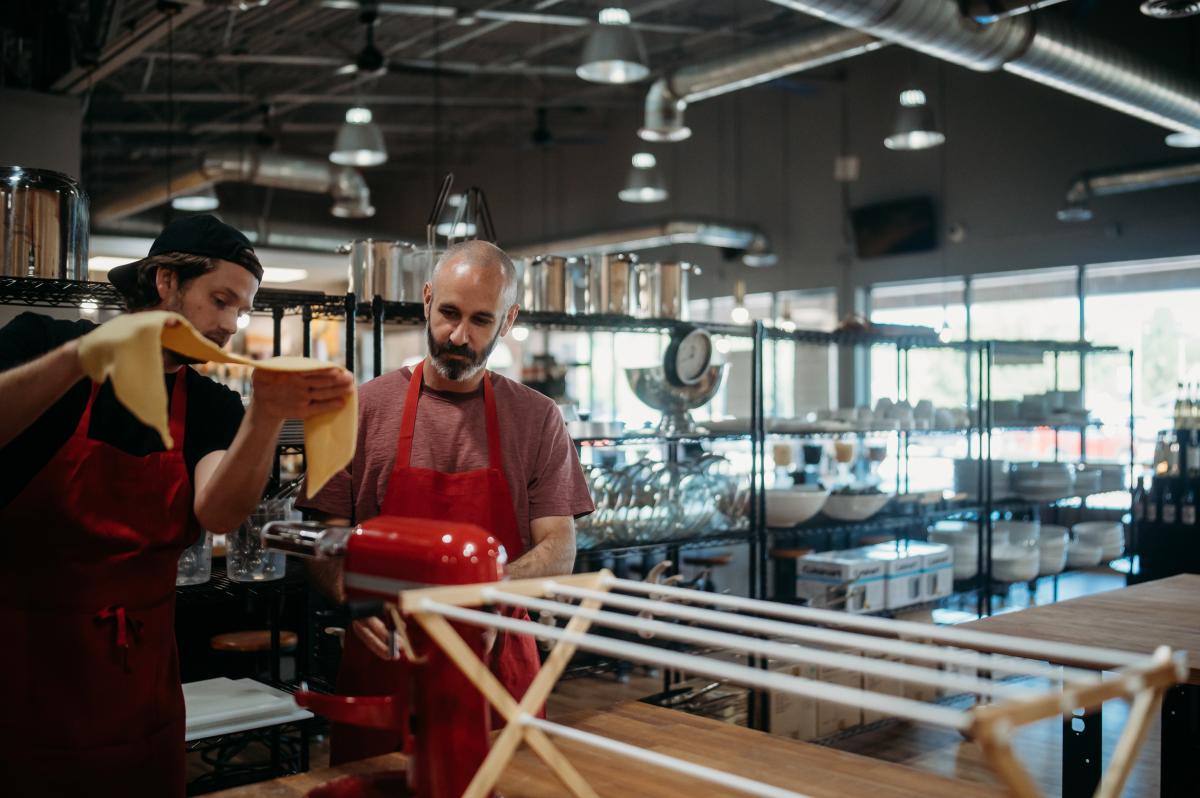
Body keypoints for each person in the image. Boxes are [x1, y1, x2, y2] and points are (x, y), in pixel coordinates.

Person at [0, 214, 354, 797]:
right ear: (165, 281)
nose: (229, 326)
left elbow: (219, 512)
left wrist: (265, 414)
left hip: (138, 686)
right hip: (22, 672)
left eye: (241, 311)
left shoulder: (212, 405)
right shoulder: (41, 343)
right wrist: (79, 358)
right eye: (220, 300)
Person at [299, 239, 593, 764]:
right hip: (385, 653)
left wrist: (478, 594)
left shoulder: (537, 417)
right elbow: (326, 535)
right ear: (428, 299)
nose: (460, 336)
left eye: (482, 320)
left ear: (508, 322)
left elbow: (560, 546)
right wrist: (351, 595)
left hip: (496, 660)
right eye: (450, 314)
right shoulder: (361, 408)